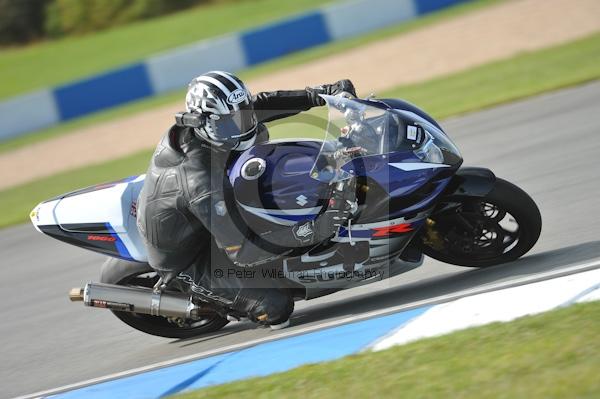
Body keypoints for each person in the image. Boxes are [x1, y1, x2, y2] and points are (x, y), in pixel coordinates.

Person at [137, 70, 356, 329]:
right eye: (231, 123)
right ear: (201, 122)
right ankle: (215, 301)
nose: (244, 127)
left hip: (210, 213)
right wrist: (316, 228)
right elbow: (243, 251)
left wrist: (324, 94)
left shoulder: (216, 127)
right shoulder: (200, 180)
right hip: (194, 255)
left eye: (244, 116)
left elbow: (262, 103)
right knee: (276, 308)